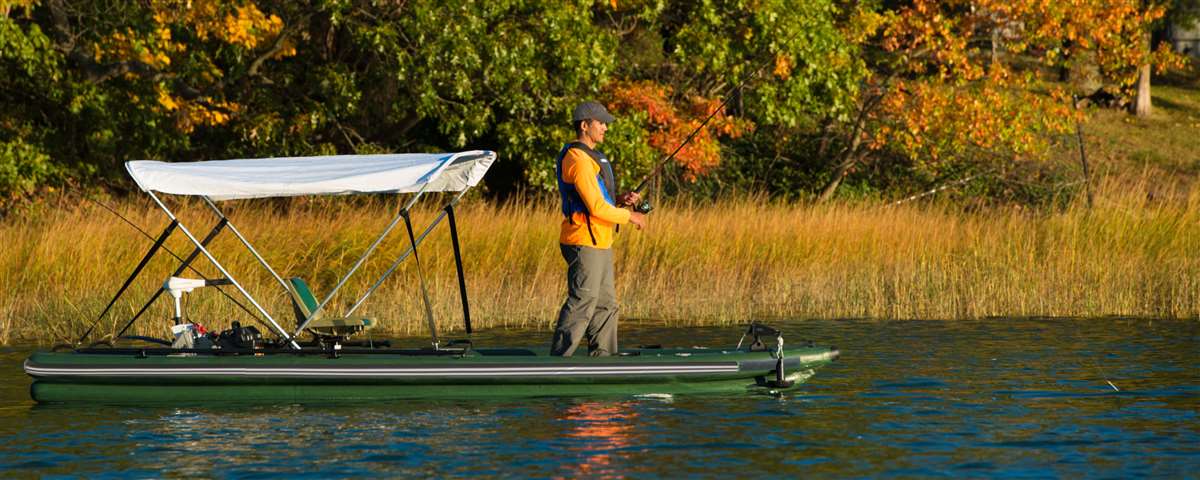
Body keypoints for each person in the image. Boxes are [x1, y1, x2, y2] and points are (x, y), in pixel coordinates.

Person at [550, 101, 647, 356]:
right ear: (585, 125)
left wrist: (620, 201)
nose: (605, 127)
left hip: (601, 241)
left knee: (606, 304)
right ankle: (559, 360)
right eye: (600, 122)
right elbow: (594, 208)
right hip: (583, 240)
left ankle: (603, 359)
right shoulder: (579, 160)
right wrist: (630, 216)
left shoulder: (591, 159)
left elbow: (599, 202)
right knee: (583, 301)